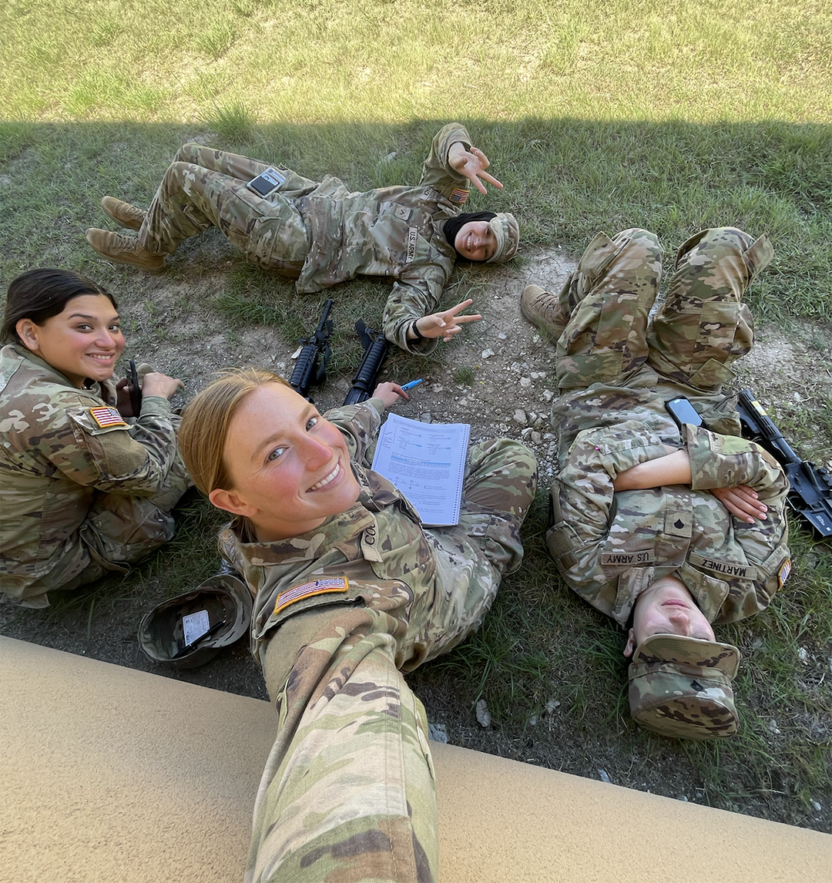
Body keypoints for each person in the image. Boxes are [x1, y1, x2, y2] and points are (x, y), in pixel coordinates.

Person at [177, 368, 537, 882]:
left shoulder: (321, 451)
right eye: (275, 453)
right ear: (233, 501)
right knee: (516, 461)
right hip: (444, 590)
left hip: (406, 540)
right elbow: (342, 738)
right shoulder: (317, 615)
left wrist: (377, 401)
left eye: (309, 420)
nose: (323, 452)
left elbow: (343, 428)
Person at [522, 226, 791, 739]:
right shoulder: (752, 581)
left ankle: (568, 315)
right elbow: (769, 474)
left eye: (666, 637)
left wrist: (703, 471)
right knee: (727, 246)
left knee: (638, 248)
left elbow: (589, 460)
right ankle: (645, 323)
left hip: (603, 389)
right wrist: (700, 470)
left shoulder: (590, 567)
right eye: (700, 637)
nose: (682, 621)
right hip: (690, 388)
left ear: (631, 646)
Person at [85, 124, 520, 353]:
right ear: (478, 216)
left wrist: (418, 329)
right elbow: (445, 137)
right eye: (485, 232)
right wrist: (457, 151)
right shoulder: (440, 197)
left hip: (297, 240)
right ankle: (157, 219)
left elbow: (399, 320)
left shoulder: (431, 268)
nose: (477, 243)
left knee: (182, 176)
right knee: (190, 155)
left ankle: (149, 248)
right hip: (306, 194)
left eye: (484, 252)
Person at [0, 269, 190, 608]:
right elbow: (147, 475)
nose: (110, 342)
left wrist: (113, 406)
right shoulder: (59, 411)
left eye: (113, 326)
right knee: (194, 436)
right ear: (30, 332)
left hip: (16, 544)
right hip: (53, 563)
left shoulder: (12, 365)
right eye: (84, 327)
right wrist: (156, 402)